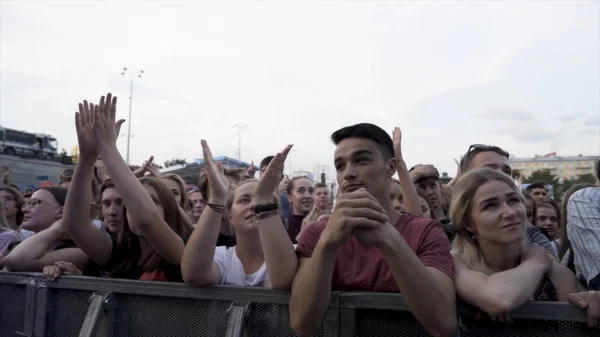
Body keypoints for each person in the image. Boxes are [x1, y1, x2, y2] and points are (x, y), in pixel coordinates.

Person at [290, 123, 456, 337]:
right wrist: (327, 245)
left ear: (391, 167)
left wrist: (389, 239)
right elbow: (302, 324)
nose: (348, 173)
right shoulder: (317, 233)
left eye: (361, 160)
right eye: (340, 166)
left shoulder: (426, 231)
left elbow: (444, 323)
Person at [63, 94, 190, 281]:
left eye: (152, 200)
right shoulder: (118, 255)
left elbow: (146, 219)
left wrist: (108, 148)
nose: (136, 207)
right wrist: (87, 157)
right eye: (130, 203)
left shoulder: (182, 250)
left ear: (169, 210)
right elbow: (74, 225)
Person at [451, 168, 599, 328]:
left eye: (514, 200)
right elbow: (500, 299)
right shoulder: (455, 264)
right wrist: (535, 263)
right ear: (468, 223)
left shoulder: (556, 274)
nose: (510, 212)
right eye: (491, 206)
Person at [181, 141, 297, 289]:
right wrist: (217, 198)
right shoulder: (220, 257)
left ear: (278, 214)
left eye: (263, 200)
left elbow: (284, 279)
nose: (254, 206)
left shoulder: (294, 252)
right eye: (244, 200)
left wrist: (265, 203)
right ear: (230, 217)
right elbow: (193, 275)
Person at [284, 176, 315, 244]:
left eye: (311, 191)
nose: (308, 196)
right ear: (290, 198)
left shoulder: (324, 224)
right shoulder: (283, 227)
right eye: (301, 191)